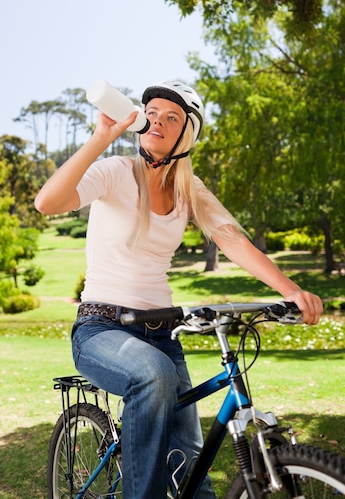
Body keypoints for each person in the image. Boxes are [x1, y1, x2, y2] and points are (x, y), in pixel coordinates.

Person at [35, 81, 323, 499]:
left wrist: (291, 289)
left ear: (186, 135)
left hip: (163, 332)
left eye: (172, 117)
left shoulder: (190, 190)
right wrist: (101, 137)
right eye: (152, 112)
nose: (158, 121)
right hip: (101, 328)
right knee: (153, 374)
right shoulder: (116, 172)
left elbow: (233, 240)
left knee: (189, 465)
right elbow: (48, 202)